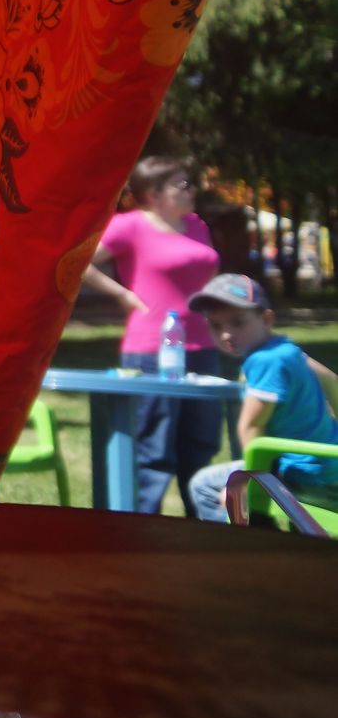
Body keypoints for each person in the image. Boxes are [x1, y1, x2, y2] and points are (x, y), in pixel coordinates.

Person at [80, 156, 222, 514]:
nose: (191, 190)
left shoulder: (196, 225)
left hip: (203, 346)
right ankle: (141, 530)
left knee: (202, 444)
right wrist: (123, 294)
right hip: (151, 350)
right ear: (153, 193)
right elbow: (80, 260)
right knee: (154, 449)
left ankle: (202, 526)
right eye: (181, 184)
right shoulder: (130, 226)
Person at [185, 274, 338, 522]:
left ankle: (252, 551)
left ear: (266, 319)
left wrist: (245, 484)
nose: (226, 334)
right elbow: (332, 380)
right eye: (215, 325)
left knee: (205, 485)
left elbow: (252, 425)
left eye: (237, 322)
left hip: (306, 478)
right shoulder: (286, 350)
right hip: (328, 468)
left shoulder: (264, 360)